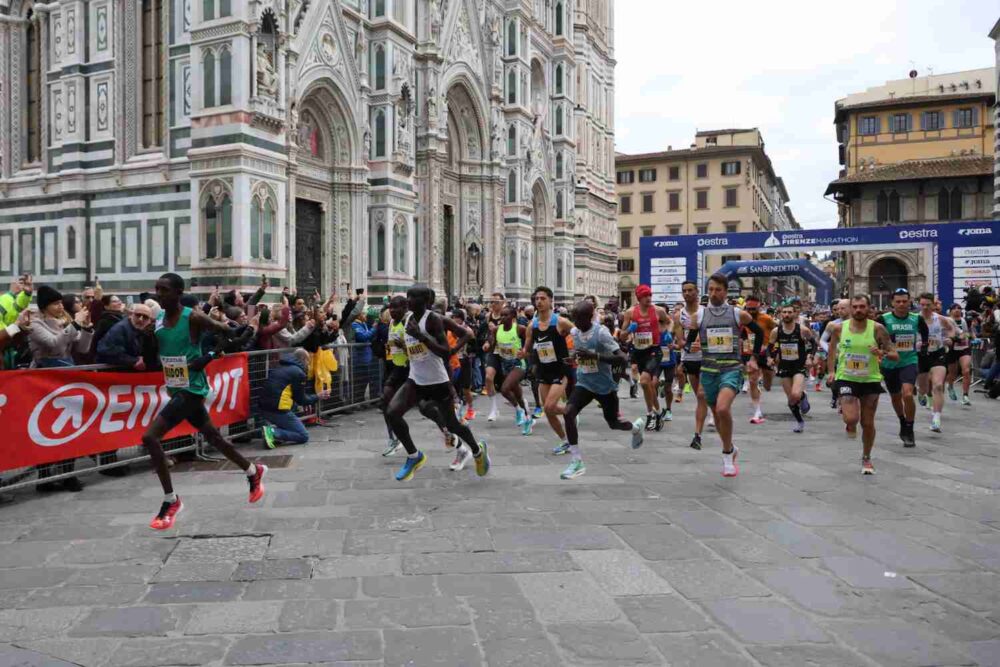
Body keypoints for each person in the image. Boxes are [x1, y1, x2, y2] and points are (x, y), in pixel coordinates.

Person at [142, 273, 267, 530]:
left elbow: (229, 335)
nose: (159, 294)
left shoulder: (194, 317)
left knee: (150, 437)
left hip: (193, 388)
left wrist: (209, 355)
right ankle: (253, 471)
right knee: (214, 438)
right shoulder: (159, 319)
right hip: (176, 388)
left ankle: (171, 501)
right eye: (157, 289)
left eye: (164, 290)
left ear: (178, 293)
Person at [383, 285, 490, 481]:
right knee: (392, 412)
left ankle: (477, 450)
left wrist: (423, 338)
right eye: (408, 296)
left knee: (452, 425)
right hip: (416, 379)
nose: (408, 300)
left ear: (426, 301)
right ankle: (414, 456)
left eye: (413, 297)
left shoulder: (433, 319)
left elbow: (448, 349)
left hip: (437, 381)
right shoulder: (407, 319)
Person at [683, 274, 764, 477]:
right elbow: (689, 341)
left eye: (718, 290)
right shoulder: (699, 316)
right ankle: (730, 447)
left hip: (731, 369)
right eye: (710, 289)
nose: (713, 293)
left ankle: (727, 455)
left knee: (722, 408)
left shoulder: (737, 314)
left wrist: (753, 358)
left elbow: (759, 332)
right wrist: (689, 346)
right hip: (708, 371)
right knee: (718, 415)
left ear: (726, 292)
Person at [559, 300, 645, 479]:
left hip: (605, 387)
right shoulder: (575, 332)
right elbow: (581, 355)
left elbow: (622, 358)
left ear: (590, 317)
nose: (576, 323)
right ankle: (576, 461)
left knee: (613, 423)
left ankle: (635, 428)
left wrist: (596, 356)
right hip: (584, 383)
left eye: (580, 319)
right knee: (568, 413)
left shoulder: (601, 333)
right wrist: (574, 359)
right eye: (574, 319)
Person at [826, 294, 898, 475]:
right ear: (851, 308)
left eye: (862, 307)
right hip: (846, 377)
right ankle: (850, 424)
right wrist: (831, 372)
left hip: (870, 379)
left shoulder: (878, 329)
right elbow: (832, 351)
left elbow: (894, 355)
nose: (858, 310)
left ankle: (866, 457)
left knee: (867, 422)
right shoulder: (839, 328)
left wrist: (881, 352)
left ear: (869, 308)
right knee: (851, 418)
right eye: (855, 306)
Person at [523, 286, 573, 453]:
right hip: (544, 370)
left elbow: (579, 335)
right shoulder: (532, 325)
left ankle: (571, 411)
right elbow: (527, 348)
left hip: (560, 370)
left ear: (551, 300)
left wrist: (576, 353)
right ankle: (565, 440)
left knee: (550, 406)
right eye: (537, 299)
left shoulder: (560, 322)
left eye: (543, 298)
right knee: (547, 410)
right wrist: (522, 353)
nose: (539, 302)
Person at [875, 288, 927, 447]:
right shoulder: (883, 319)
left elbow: (925, 333)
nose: (902, 304)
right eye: (898, 301)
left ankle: (910, 428)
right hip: (889, 363)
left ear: (910, 301)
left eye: (905, 301)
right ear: (892, 302)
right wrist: (880, 352)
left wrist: (924, 348)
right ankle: (902, 421)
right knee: (896, 396)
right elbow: (875, 338)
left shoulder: (916, 318)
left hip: (909, 360)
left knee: (908, 394)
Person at [618, 284, 671, 432]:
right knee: (647, 385)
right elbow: (622, 336)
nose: (648, 298)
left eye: (650, 295)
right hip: (639, 351)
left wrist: (666, 332)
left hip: (654, 350)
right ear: (639, 298)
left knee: (644, 381)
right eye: (645, 296)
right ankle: (658, 412)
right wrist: (629, 330)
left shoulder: (658, 311)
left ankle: (650, 415)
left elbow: (669, 321)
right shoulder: (630, 313)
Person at [768, 304, 815, 433]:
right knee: (791, 399)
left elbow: (813, 344)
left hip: (798, 366)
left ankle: (802, 396)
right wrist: (770, 357)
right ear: (780, 314)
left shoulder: (802, 330)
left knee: (795, 394)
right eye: (784, 312)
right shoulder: (776, 331)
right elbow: (769, 348)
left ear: (795, 314)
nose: (787, 315)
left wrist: (810, 357)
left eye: (789, 312)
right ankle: (800, 421)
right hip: (784, 366)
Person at [916, 292, 958, 433]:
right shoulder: (914, 319)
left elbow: (951, 329)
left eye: (928, 305)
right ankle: (921, 393)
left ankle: (936, 419)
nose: (925, 307)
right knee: (923, 388)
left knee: (938, 386)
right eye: (922, 305)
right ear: (919, 305)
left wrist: (950, 339)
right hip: (921, 356)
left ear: (933, 305)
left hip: (937, 354)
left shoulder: (940, 319)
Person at [259, 349, 318, 447]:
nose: (308, 364)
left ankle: (277, 436)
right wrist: (318, 396)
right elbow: (301, 400)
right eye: (308, 361)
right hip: (278, 409)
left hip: (264, 407)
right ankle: (272, 432)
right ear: (303, 359)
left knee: (292, 406)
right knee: (303, 435)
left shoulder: (281, 367)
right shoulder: (298, 373)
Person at [28, 285, 94, 368]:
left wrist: (86, 328)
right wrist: (75, 323)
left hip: (67, 367)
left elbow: (82, 349)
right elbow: (54, 345)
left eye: (61, 303)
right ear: (45, 307)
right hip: (45, 370)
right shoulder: (34, 324)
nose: (61, 307)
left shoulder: (65, 322)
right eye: (56, 304)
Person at [677, 281, 709, 450]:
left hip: (706, 358)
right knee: (700, 396)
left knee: (702, 395)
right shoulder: (679, 315)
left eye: (690, 290)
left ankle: (697, 435)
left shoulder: (706, 312)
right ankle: (711, 411)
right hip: (690, 359)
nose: (687, 293)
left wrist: (702, 345)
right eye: (684, 291)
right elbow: (680, 341)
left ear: (697, 292)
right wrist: (688, 345)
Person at [491, 305, 532, 433]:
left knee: (504, 389)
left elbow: (530, 343)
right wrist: (487, 345)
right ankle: (528, 418)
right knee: (518, 395)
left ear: (513, 317)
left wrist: (525, 352)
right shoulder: (496, 329)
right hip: (506, 365)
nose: (503, 317)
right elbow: (492, 344)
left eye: (506, 315)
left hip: (519, 364)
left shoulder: (520, 329)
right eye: (502, 315)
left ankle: (518, 410)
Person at [380, 296, 411, 456]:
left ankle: (452, 434)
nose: (391, 310)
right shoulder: (392, 322)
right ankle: (394, 439)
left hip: (412, 369)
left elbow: (422, 348)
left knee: (428, 408)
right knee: (386, 401)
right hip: (396, 368)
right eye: (390, 307)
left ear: (405, 308)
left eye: (395, 307)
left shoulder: (409, 323)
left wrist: (404, 347)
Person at [742, 296, 776, 424]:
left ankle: (765, 383)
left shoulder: (766, 318)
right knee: (752, 380)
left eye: (753, 309)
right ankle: (757, 411)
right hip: (750, 352)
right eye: (748, 309)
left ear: (759, 307)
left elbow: (777, 331)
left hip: (765, 353)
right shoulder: (743, 318)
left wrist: (772, 347)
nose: (751, 311)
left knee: (767, 385)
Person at [96, 303, 159, 370]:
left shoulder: (143, 330)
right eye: (138, 315)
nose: (141, 319)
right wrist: (135, 360)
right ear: (131, 315)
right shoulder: (120, 329)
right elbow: (110, 352)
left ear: (149, 321)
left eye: (145, 317)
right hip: (115, 371)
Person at [483, 292, 506, 420]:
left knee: (509, 386)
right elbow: (489, 333)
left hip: (507, 350)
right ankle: (493, 408)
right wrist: (487, 342)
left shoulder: (507, 315)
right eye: (491, 302)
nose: (493, 304)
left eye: (496, 302)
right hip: (494, 350)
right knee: (488, 377)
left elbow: (511, 330)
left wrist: (496, 328)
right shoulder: (488, 316)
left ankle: (521, 405)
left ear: (503, 302)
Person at [945, 303, 973, 406]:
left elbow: (966, 333)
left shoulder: (963, 321)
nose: (957, 310)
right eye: (954, 309)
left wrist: (969, 336)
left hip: (964, 348)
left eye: (959, 308)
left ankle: (965, 396)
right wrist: (954, 338)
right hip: (952, 349)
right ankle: (950, 386)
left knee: (966, 371)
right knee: (953, 373)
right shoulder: (947, 320)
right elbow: (946, 334)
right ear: (950, 311)